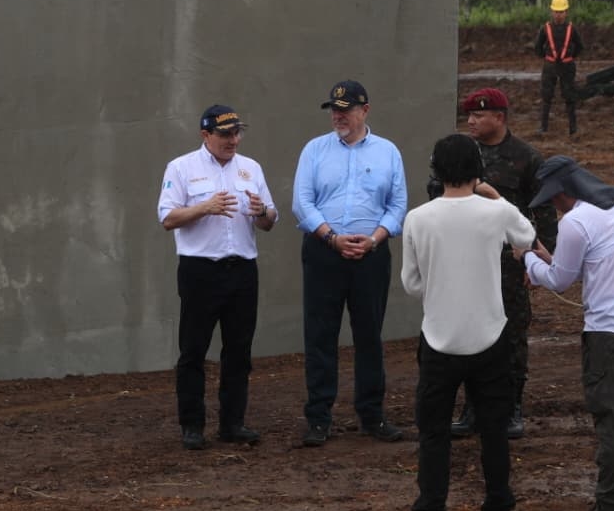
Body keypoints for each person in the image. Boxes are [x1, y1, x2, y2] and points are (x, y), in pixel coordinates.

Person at [520, 156, 614, 511]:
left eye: (554, 199)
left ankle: (610, 501)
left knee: (612, 420)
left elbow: (560, 280)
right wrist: (547, 258)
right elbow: (601, 263)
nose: (554, 206)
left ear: (565, 192)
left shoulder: (576, 223)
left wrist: (527, 259)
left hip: (608, 334)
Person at [402, 133, 533, 511]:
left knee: (433, 430)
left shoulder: (418, 219)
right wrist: (495, 197)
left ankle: (431, 500)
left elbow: (411, 284)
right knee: (494, 428)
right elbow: (526, 234)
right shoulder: (496, 212)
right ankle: (498, 497)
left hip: (439, 338)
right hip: (490, 335)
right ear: (478, 170)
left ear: (436, 170)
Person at [292, 80, 407, 447]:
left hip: (370, 255)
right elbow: (302, 202)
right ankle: (319, 417)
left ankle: (372, 415)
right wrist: (332, 237)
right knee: (321, 335)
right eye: (334, 110)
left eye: (346, 109)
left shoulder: (388, 152)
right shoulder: (314, 150)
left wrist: (373, 239)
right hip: (324, 252)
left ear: (365, 111)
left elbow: (398, 205)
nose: (338, 116)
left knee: (369, 335)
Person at [157, 104, 277, 451]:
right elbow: (167, 217)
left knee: (239, 350)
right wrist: (203, 208)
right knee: (193, 350)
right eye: (225, 134)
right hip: (200, 270)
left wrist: (262, 213)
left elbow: (270, 220)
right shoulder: (181, 168)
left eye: (237, 132)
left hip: (242, 269)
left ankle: (232, 423)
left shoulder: (251, 168)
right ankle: (192, 425)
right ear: (205, 135)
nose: (233, 140)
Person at [441, 88, 556, 439]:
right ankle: (473, 408)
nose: (471, 121)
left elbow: (544, 211)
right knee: (471, 333)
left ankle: (511, 408)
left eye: (479, 115)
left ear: (500, 118)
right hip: (467, 260)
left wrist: (539, 258)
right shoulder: (460, 154)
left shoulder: (525, 158)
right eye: (469, 116)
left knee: (511, 334)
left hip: (509, 263)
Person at [533, 0, 583, 135]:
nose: (558, 15)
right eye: (556, 12)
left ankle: (573, 129)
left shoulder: (572, 29)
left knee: (569, 97)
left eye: (561, 12)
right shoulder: (545, 28)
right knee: (546, 97)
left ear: (566, 12)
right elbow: (537, 47)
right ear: (552, 12)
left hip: (567, 67)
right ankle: (543, 128)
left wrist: (570, 57)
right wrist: (548, 58)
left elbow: (580, 46)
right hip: (550, 67)